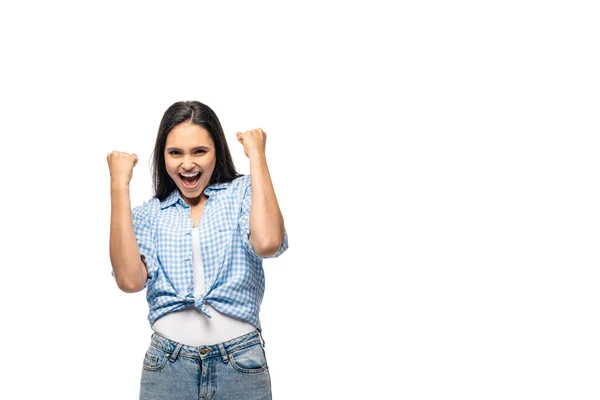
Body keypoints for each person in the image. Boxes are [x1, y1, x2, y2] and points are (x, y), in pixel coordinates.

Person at [107, 100, 289, 400]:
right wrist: (118, 184)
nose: (187, 164)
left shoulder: (242, 194)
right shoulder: (149, 215)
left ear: (217, 151)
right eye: (175, 153)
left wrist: (257, 155)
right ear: (162, 157)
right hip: (168, 366)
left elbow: (268, 243)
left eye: (199, 151)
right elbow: (129, 281)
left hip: (240, 363)